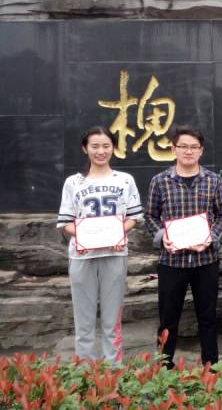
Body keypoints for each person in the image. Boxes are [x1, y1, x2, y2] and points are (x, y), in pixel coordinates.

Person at [57, 126, 143, 364]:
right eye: (95, 146)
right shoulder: (73, 182)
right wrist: (85, 237)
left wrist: (116, 234)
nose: (101, 151)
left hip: (114, 253)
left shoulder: (125, 180)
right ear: (85, 148)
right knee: (83, 318)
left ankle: (113, 369)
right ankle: (85, 369)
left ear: (113, 148)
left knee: (112, 318)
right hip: (82, 255)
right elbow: (65, 223)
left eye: (106, 146)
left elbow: (134, 218)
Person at [145, 125, 222, 368]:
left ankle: (210, 366)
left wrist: (211, 237)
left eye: (194, 147)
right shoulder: (160, 181)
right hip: (172, 261)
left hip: (206, 260)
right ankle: (164, 366)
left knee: (208, 317)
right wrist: (162, 236)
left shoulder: (213, 180)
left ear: (201, 150)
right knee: (168, 318)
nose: (188, 151)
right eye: (183, 146)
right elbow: (150, 216)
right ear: (174, 149)